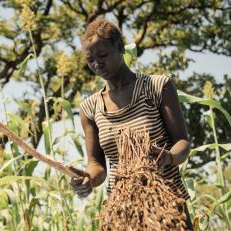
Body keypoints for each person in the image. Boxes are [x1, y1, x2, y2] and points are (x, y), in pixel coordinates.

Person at [70, 17, 194, 229]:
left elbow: (182, 142)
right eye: (90, 59)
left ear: (119, 47)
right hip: (123, 210)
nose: (97, 64)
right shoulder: (90, 108)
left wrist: (170, 157)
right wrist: (88, 179)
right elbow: (97, 165)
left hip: (167, 204)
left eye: (102, 55)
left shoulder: (157, 87)